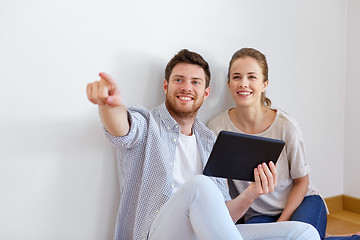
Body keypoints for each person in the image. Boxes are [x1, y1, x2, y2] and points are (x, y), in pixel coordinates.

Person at [86, 49, 320, 240]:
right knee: (199, 186)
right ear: (166, 86)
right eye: (179, 80)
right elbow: (122, 129)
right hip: (157, 234)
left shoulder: (209, 139)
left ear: (206, 92)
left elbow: (223, 215)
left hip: (205, 234)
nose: (187, 87)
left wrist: (252, 193)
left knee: (303, 233)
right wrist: (109, 105)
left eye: (195, 82)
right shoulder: (147, 124)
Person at [207, 47, 360, 240]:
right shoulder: (216, 128)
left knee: (302, 236)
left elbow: (302, 182)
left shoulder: (286, 126)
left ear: (264, 84)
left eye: (252, 77)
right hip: (258, 214)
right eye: (236, 77)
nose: (243, 83)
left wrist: (283, 225)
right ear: (229, 83)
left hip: (302, 203)